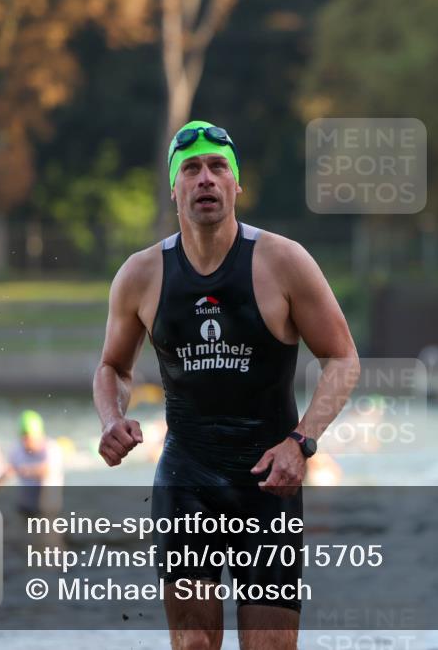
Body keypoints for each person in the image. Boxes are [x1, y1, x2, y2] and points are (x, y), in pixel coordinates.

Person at [93, 121, 359, 650]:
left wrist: (301, 442)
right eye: (190, 169)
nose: (205, 179)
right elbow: (114, 369)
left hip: (268, 483)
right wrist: (111, 418)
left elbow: (343, 359)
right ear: (174, 188)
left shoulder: (284, 262)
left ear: (237, 185)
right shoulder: (140, 274)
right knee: (193, 646)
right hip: (186, 478)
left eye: (218, 168)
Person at [0, 410, 64, 517]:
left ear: (39, 435)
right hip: (26, 504)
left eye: (29, 438)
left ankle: (48, 523)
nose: (26, 442)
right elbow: (5, 474)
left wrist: (23, 470)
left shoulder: (51, 448)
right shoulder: (16, 450)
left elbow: (47, 470)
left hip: (49, 502)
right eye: (23, 438)